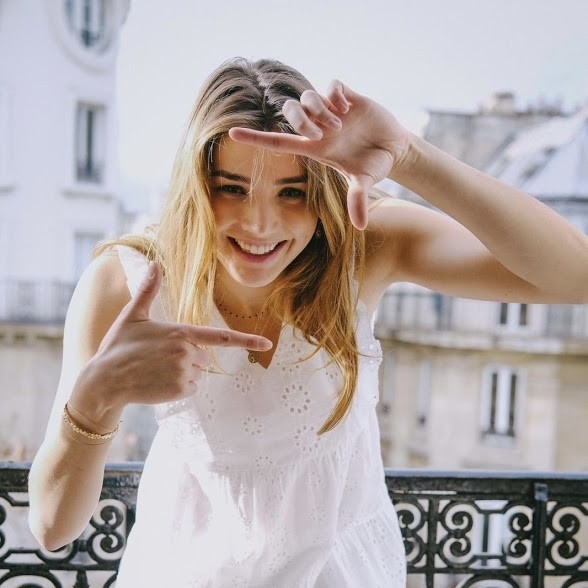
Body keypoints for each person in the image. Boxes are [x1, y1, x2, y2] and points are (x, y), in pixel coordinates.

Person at [27, 57, 588, 588]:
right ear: (196, 184)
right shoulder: (127, 283)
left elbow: (574, 277)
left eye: (292, 192)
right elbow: (53, 528)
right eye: (232, 188)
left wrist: (409, 155)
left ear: (321, 191)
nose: (260, 223)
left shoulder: (363, 244)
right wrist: (97, 398)